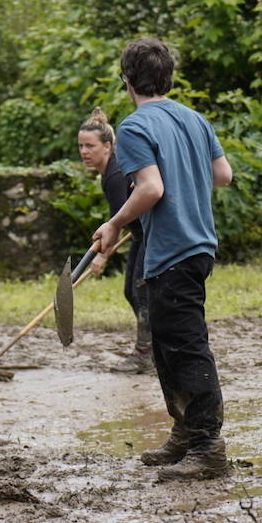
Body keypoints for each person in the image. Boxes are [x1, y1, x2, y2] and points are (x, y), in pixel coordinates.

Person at [92, 38, 234, 481]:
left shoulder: (135, 128)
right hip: (199, 246)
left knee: (186, 347)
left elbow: (151, 189)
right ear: (167, 78)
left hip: (172, 250)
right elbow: (223, 175)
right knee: (168, 349)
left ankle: (208, 446)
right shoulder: (194, 119)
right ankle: (185, 435)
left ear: (127, 80)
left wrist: (115, 224)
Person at [78, 106, 151, 373]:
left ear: (107, 146)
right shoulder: (111, 171)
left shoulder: (115, 174)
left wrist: (101, 256)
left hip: (151, 236)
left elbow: (117, 220)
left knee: (142, 293)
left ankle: (145, 355)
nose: (84, 152)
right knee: (131, 291)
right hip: (140, 234)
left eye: (90, 146)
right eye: (81, 146)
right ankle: (153, 347)